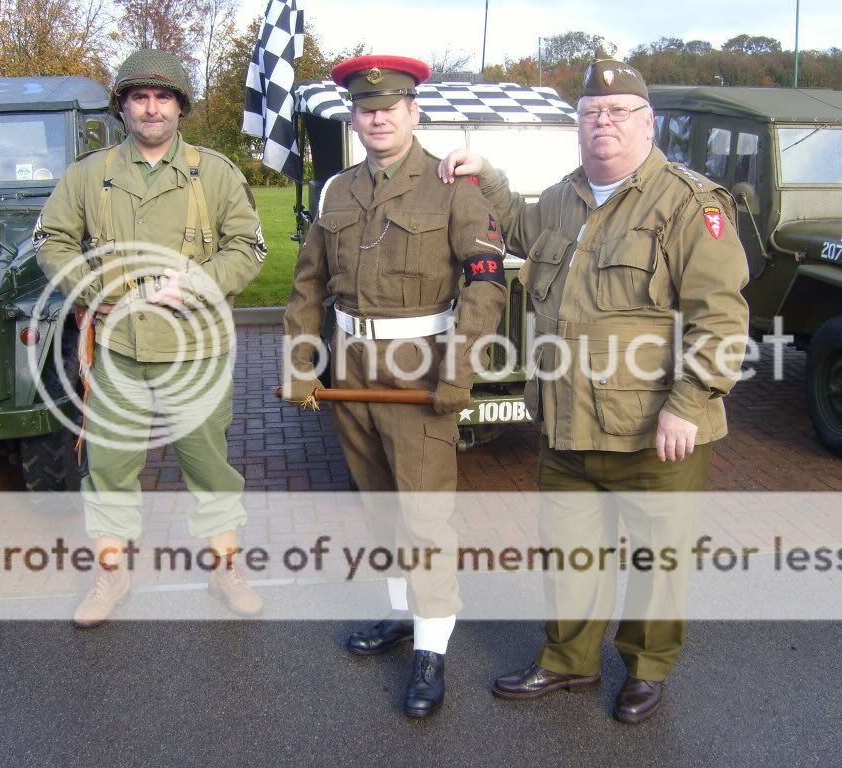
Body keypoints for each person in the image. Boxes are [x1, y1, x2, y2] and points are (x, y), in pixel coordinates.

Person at [438, 59, 750, 723]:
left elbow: (721, 317)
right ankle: (568, 660)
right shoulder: (566, 196)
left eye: (618, 112)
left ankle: (647, 668)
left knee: (657, 564)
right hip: (566, 421)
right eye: (590, 113)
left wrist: (689, 405)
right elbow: (520, 227)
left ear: (647, 123)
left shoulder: (692, 204)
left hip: (653, 429)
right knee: (570, 553)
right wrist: (484, 174)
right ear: (578, 126)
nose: (603, 123)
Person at [282, 55, 507, 717]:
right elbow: (306, 289)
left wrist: (458, 370)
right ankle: (401, 613)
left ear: (413, 111)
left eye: (391, 106)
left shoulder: (455, 188)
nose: (378, 117)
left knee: (424, 515)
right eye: (366, 107)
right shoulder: (336, 193)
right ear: (354, 116)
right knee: (379, 503)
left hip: (419, 369)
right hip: (351, 368)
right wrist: (301, 367)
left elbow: (487, 283)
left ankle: (432, 647)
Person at [34, 49, 267, 628]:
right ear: (123, 107)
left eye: (163, 97)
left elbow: (249, 247)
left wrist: (197, 284)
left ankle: (225, 568)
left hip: (197, 350)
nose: (151, 108)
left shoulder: (214, 172)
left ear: (180, 107)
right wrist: (92, 288)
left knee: (210, 467)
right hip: (116, 349)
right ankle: (110, 576)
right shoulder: (89, 174)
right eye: (139, 97)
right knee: (110, 469)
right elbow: (52, 242)